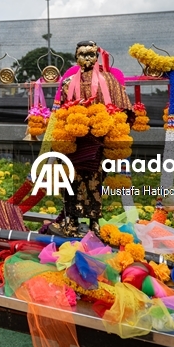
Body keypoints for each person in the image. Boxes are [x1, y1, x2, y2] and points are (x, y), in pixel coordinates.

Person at [50, 41, 132, 236]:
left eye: (91, 54)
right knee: (71, 182)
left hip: (99, 141)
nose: (87, 58)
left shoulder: (110, 80)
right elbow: (60, 113)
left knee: (95, 182)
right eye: (83, 54)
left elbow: (123, 107)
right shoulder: (68, 83)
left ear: (97, 56)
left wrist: (114, 121)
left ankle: (95, 222)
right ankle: (71, 222)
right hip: (75, 142)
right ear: (76, 58)